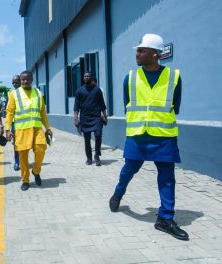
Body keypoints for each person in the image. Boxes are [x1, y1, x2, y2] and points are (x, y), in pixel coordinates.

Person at [109, 34, 188, 241]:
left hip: (164, 135)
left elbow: (175, 106)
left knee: (167, 177)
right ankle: (118, 193)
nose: (137, 54)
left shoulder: (174, 77)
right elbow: (129, 105)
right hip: (137, 135)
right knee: (129, 170)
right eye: (138, 50)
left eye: (141, 50)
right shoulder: (130, 78)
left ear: (155, 54)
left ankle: (165, 218)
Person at [5, 71, 52, 191]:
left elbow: (42, 112)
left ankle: (36, 171)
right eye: (23, 80)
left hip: (37, 129)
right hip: (21, 130)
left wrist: (48, 128)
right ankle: (25, 180)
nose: (25, 81)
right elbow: (9, 112)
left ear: (32, 80)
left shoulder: (38, 93)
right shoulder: (14, 94)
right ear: (20, 81)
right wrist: (7, 129)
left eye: (28, 79)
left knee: (41, 149)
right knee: (23, 157)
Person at [73, 72, 107, 166]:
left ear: (91, 77)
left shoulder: (97, 90)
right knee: (87, 139)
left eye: (88, 76)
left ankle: (97, 156)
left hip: (96, 117)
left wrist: (105, 115)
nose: (86, 77)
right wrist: (76, 119)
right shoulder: (79, 91)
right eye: (85, 76)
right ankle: (89, 158)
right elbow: (76, 106)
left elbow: (102, 105)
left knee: (98, 135)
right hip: (84, 118)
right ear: (83, 78)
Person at [10, 74, 21, 171]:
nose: (14, 84)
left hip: (27, 125)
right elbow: (9, 112)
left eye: (16, 82)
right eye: (13, 82)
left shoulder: (27, 93)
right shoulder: (12, 94)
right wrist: (9, 128)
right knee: (16, 145)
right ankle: (17, 162)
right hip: (15, 124)